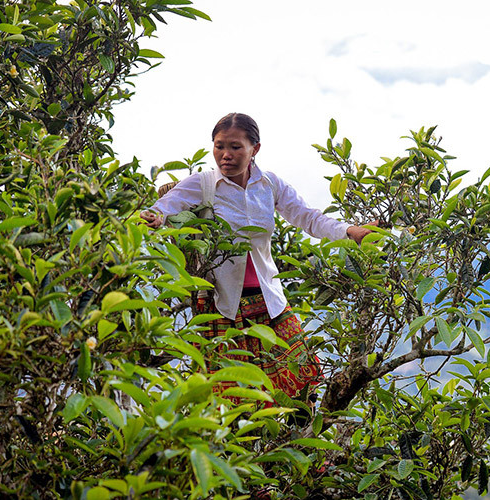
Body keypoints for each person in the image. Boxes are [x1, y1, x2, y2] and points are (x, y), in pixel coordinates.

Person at [140, 112, 374, 405]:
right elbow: (162, 207)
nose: (226, 155)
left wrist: (350, 231)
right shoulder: (202, 184)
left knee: (301, 385)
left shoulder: (270, 185)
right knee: (230, 397)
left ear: (255, 149)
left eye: (236, 147)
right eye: (219, 146)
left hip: (268, 297)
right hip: (221, 302)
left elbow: (307, 218)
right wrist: (152, 219)